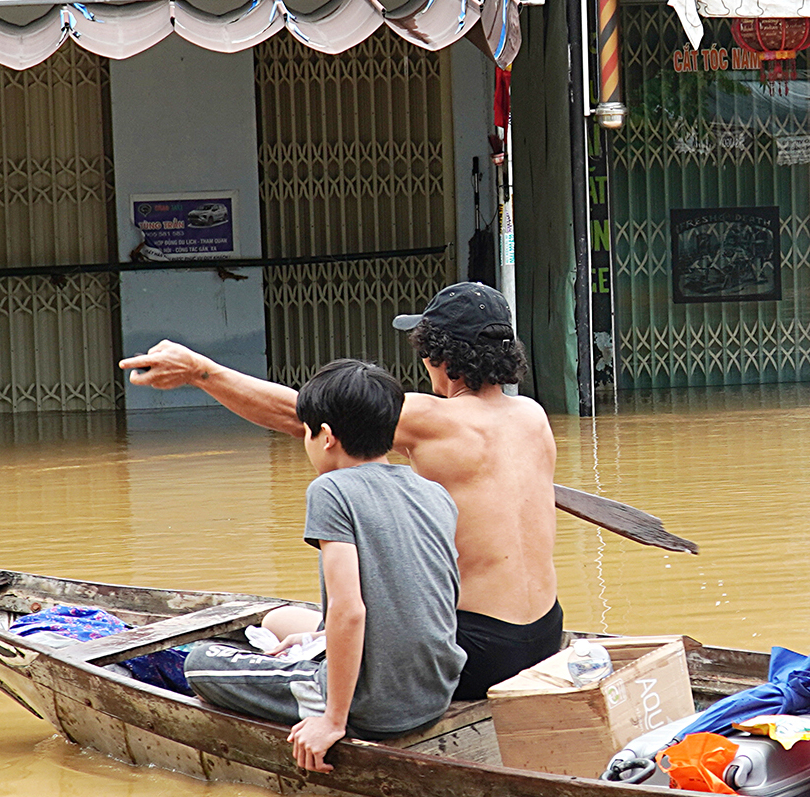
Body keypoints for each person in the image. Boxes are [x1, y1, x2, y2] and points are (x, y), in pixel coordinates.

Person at [123, 281, 561, 700]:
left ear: (439, 356)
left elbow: (306, 416)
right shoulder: (532, 416)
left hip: (476, 657)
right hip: (544, 638)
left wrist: (203, 372)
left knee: (275, 620)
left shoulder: (430, 419)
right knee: (290, 621)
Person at [182, 359, 465, 771]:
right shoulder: (434, 492)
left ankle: (327, 698)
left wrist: (333, 720)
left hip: (373, 707)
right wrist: (320, 643)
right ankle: (319, 660)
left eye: (308, 433)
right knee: (285, 626)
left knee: (200, 663)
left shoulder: (331, 490)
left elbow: (350, 610)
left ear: (326, 436)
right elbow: (434, 596)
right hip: (435, 692)